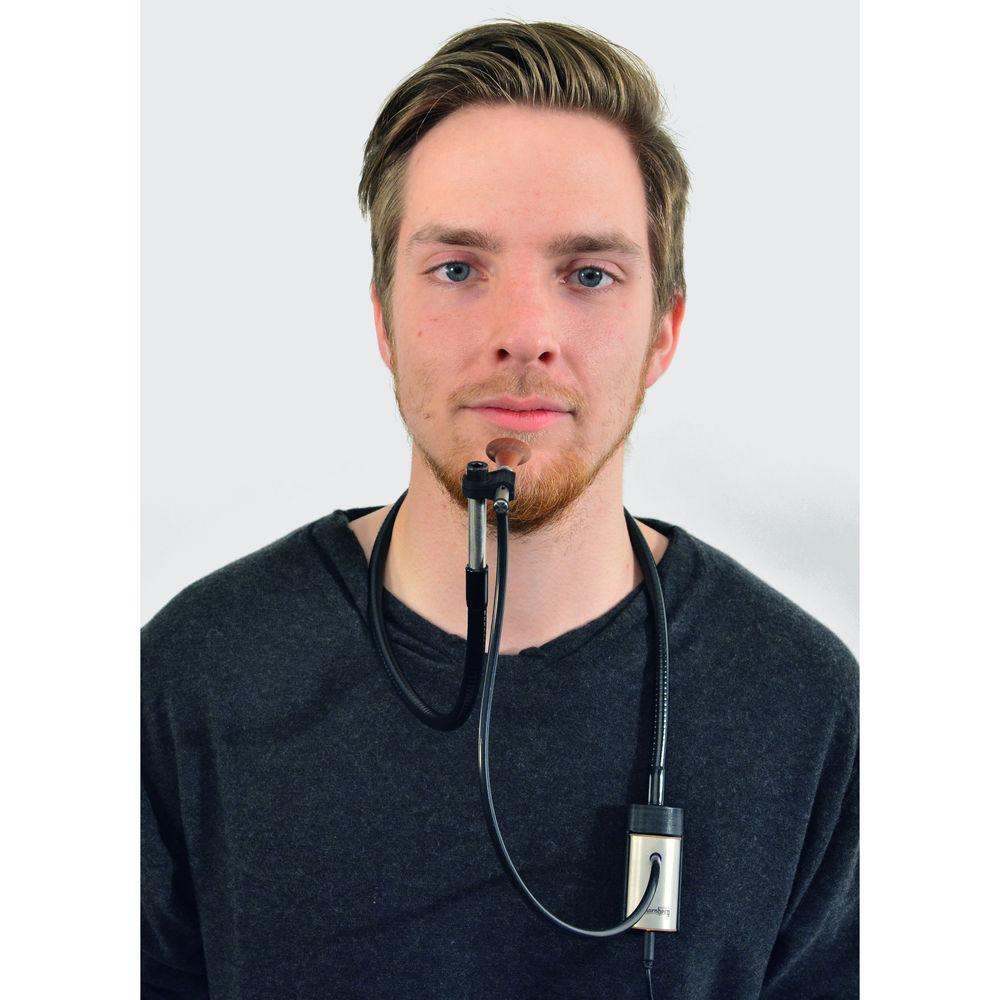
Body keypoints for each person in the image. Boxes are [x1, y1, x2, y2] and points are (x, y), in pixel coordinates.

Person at [141, 19, 858, 1000]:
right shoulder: (194, 678)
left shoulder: (803, 708)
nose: (524, 332)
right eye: (458, 269)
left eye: (589, 274)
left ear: (664, 331)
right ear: (384, 319)